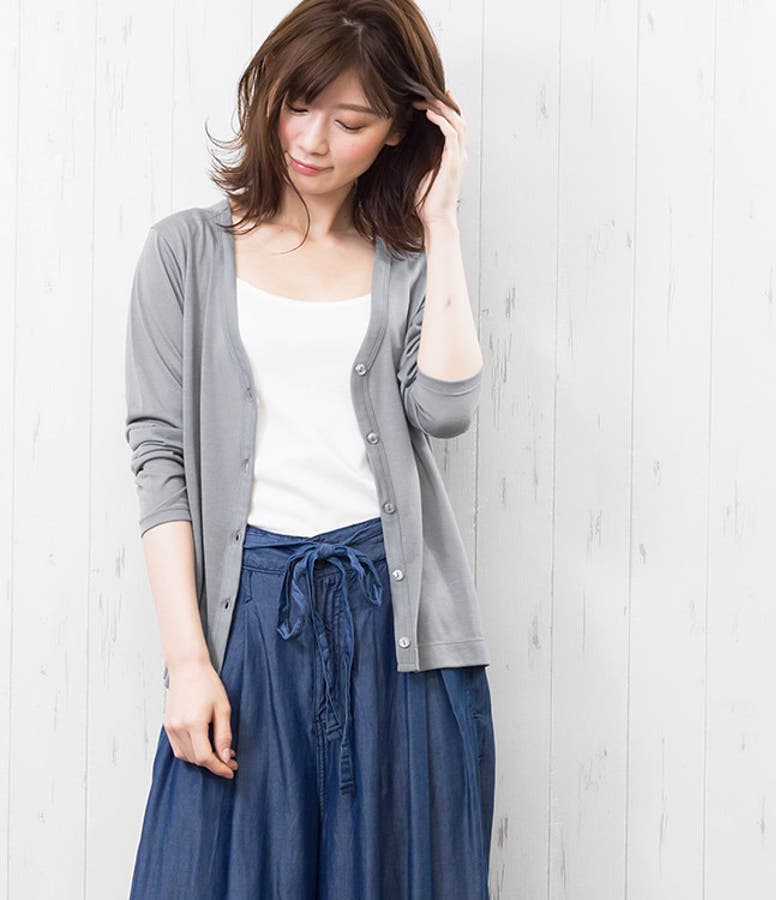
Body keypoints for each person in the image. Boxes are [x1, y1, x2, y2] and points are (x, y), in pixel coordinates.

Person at [124, 1, 496, 897]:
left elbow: (446, 410)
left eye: (351, 121)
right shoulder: (185, 254)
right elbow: (160, 461)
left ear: (399, 128)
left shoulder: (406, 265)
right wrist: (188, 663)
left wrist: (442, 223)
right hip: (249, 622)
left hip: (396, 635)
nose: (312, 140)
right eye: (297, 104)